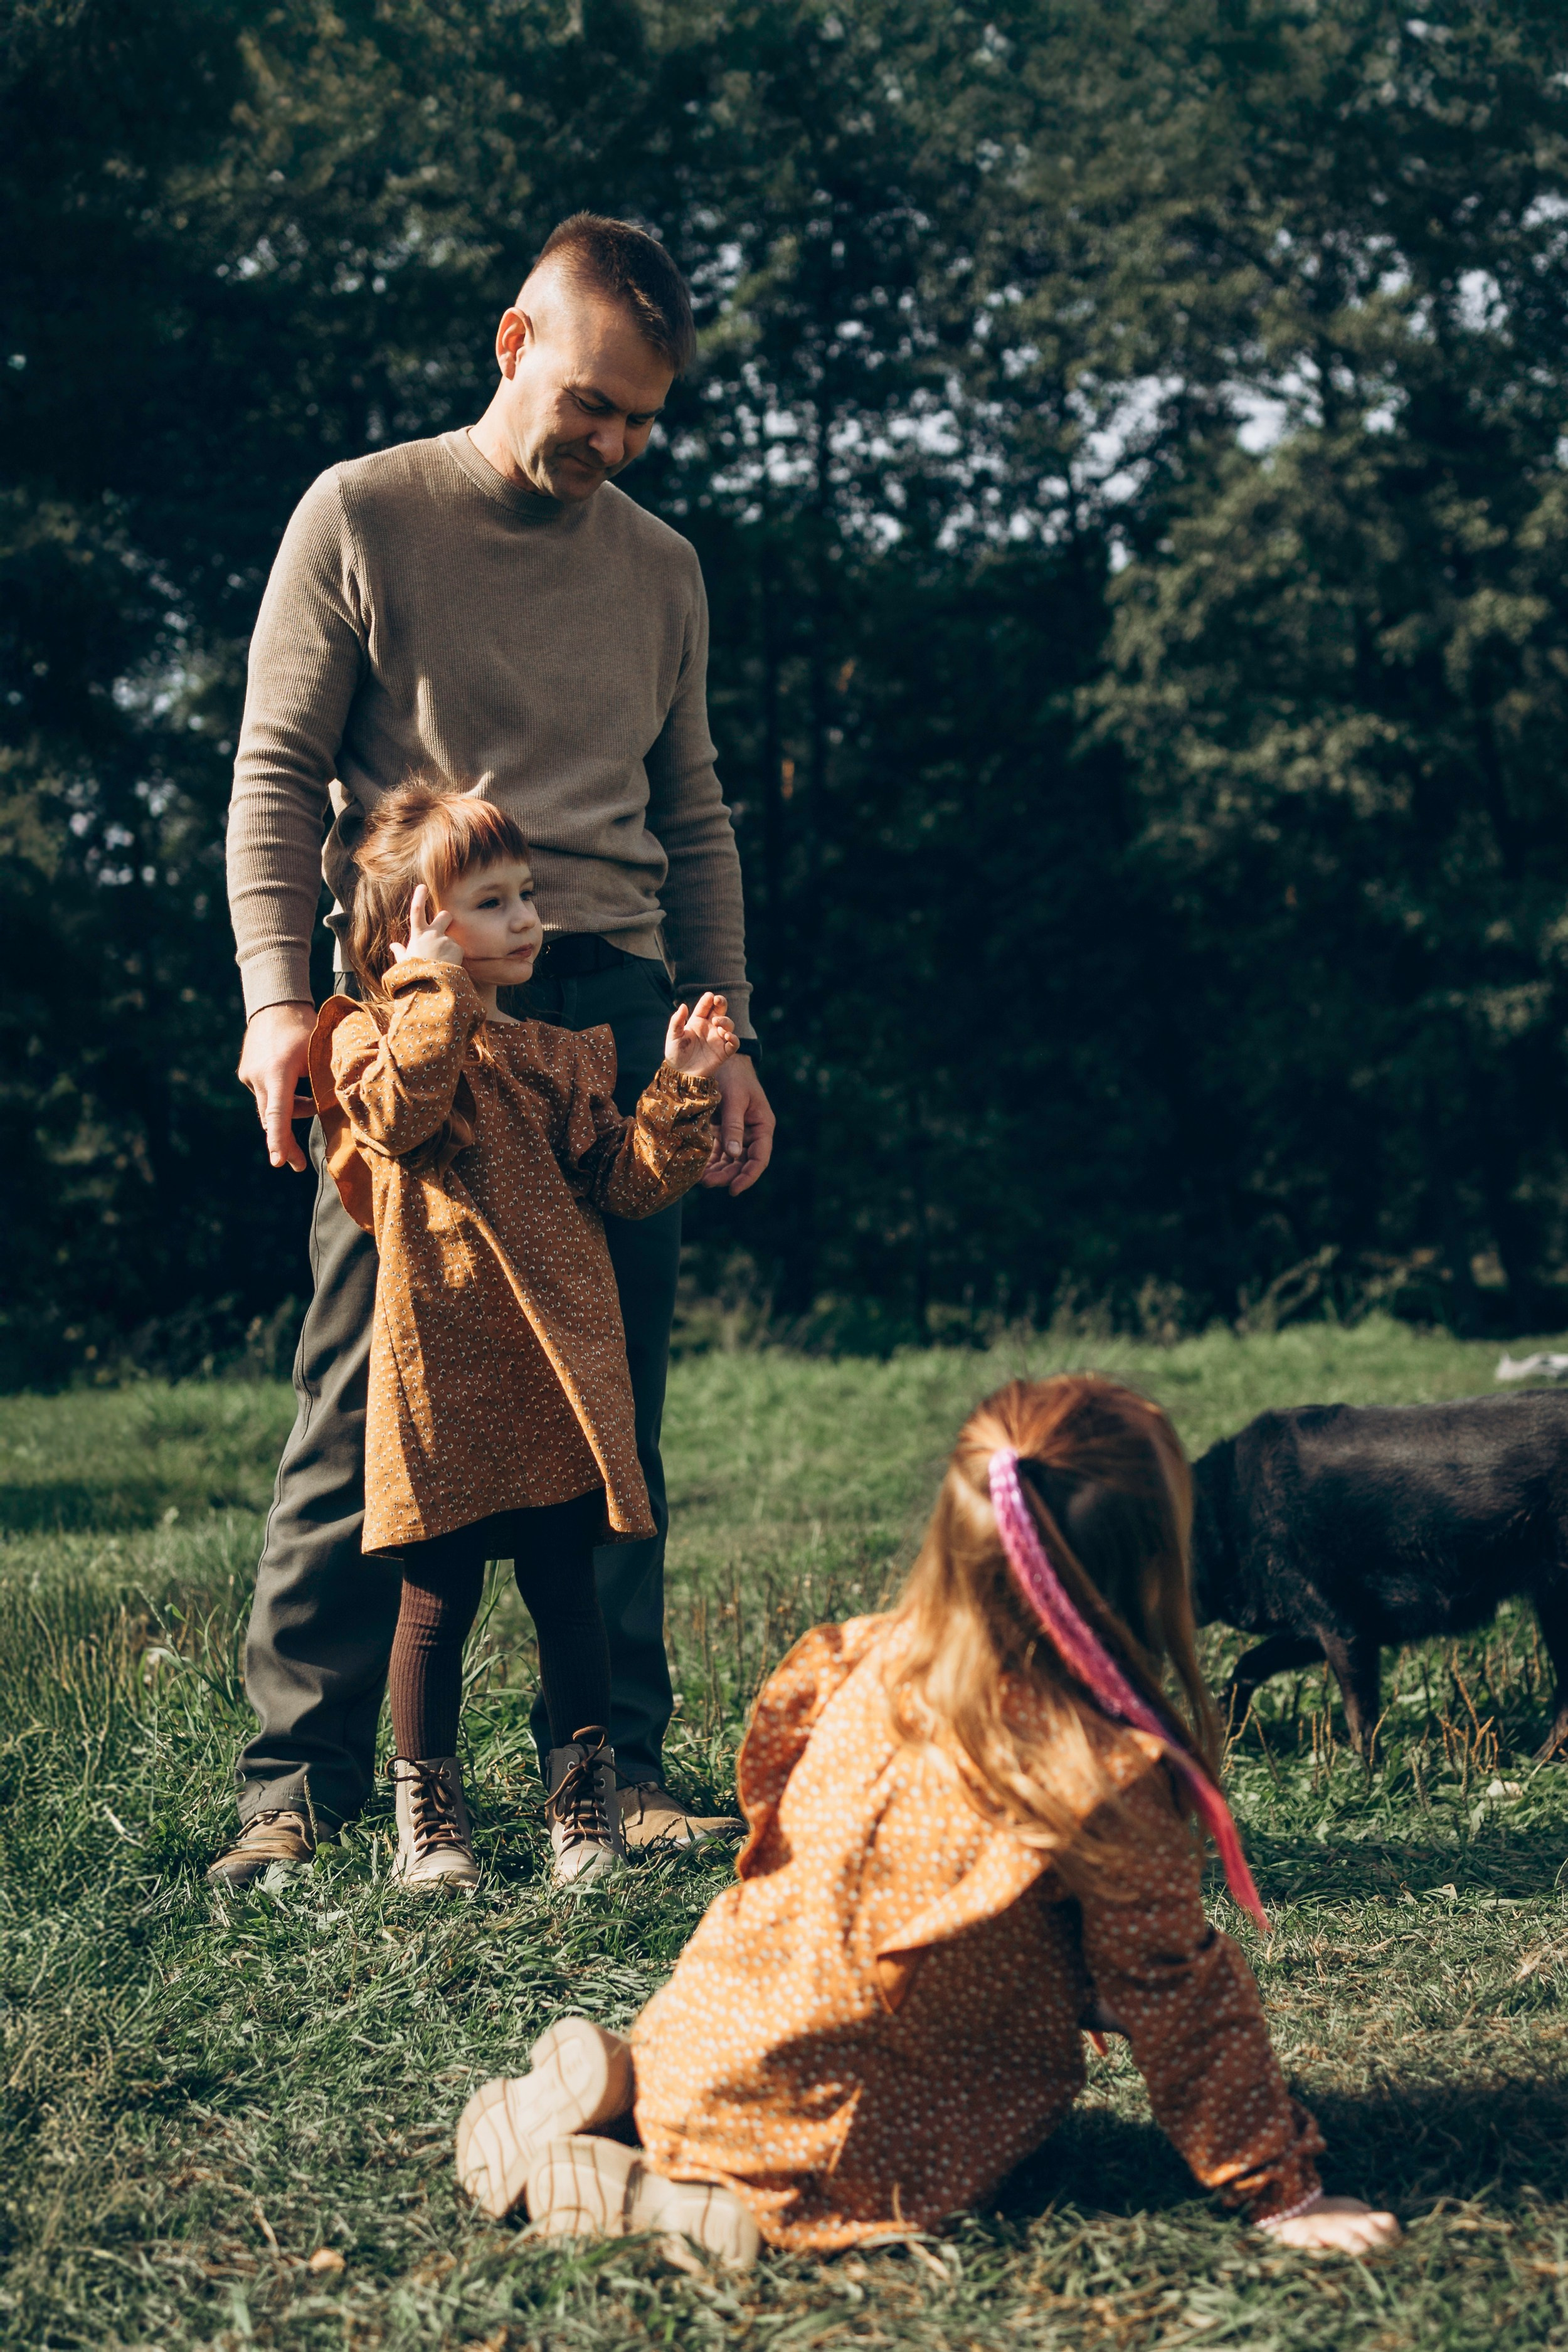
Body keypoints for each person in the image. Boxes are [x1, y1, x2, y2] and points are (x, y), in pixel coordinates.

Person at [211, 213, 775, 1888]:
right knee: (364, 1388)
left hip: (613, 1002)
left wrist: (721, 1026)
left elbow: (697, 815)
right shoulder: (363, 513)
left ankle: (619, 1772)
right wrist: (269, 1004)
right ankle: (297, 1783)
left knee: (613, 1398)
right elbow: (270, 776)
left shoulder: (660, 566)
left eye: (642, 419)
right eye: (592, 400)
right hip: (418, 1017)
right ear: (513, 343)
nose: (611, 441)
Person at [448, 1376, 1402, 2263]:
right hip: (837, 2136)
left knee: (776, 2036)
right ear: (1149, 1569)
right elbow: (1172, 1992)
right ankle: (653, 2197)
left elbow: (789, 1827)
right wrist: (1281, 2190)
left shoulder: (863, 1658)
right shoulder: (1101, 1774)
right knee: (798, 2190)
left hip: (703, 2026)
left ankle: (627, 2089)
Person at [312, 781, 735, 1890]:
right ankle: (432, 1820)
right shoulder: (372, 1046)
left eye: (525, 894)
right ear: (416, 927)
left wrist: (679, 1095)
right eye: (492, 902)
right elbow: (402, 1115)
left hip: (554, 1374)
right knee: (436, 1601)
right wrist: (430, 990)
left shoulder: (558, 1055)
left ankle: (580, 1805)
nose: (528, 918)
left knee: (566, 1590)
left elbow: (625, 1181)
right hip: (443, 1382)